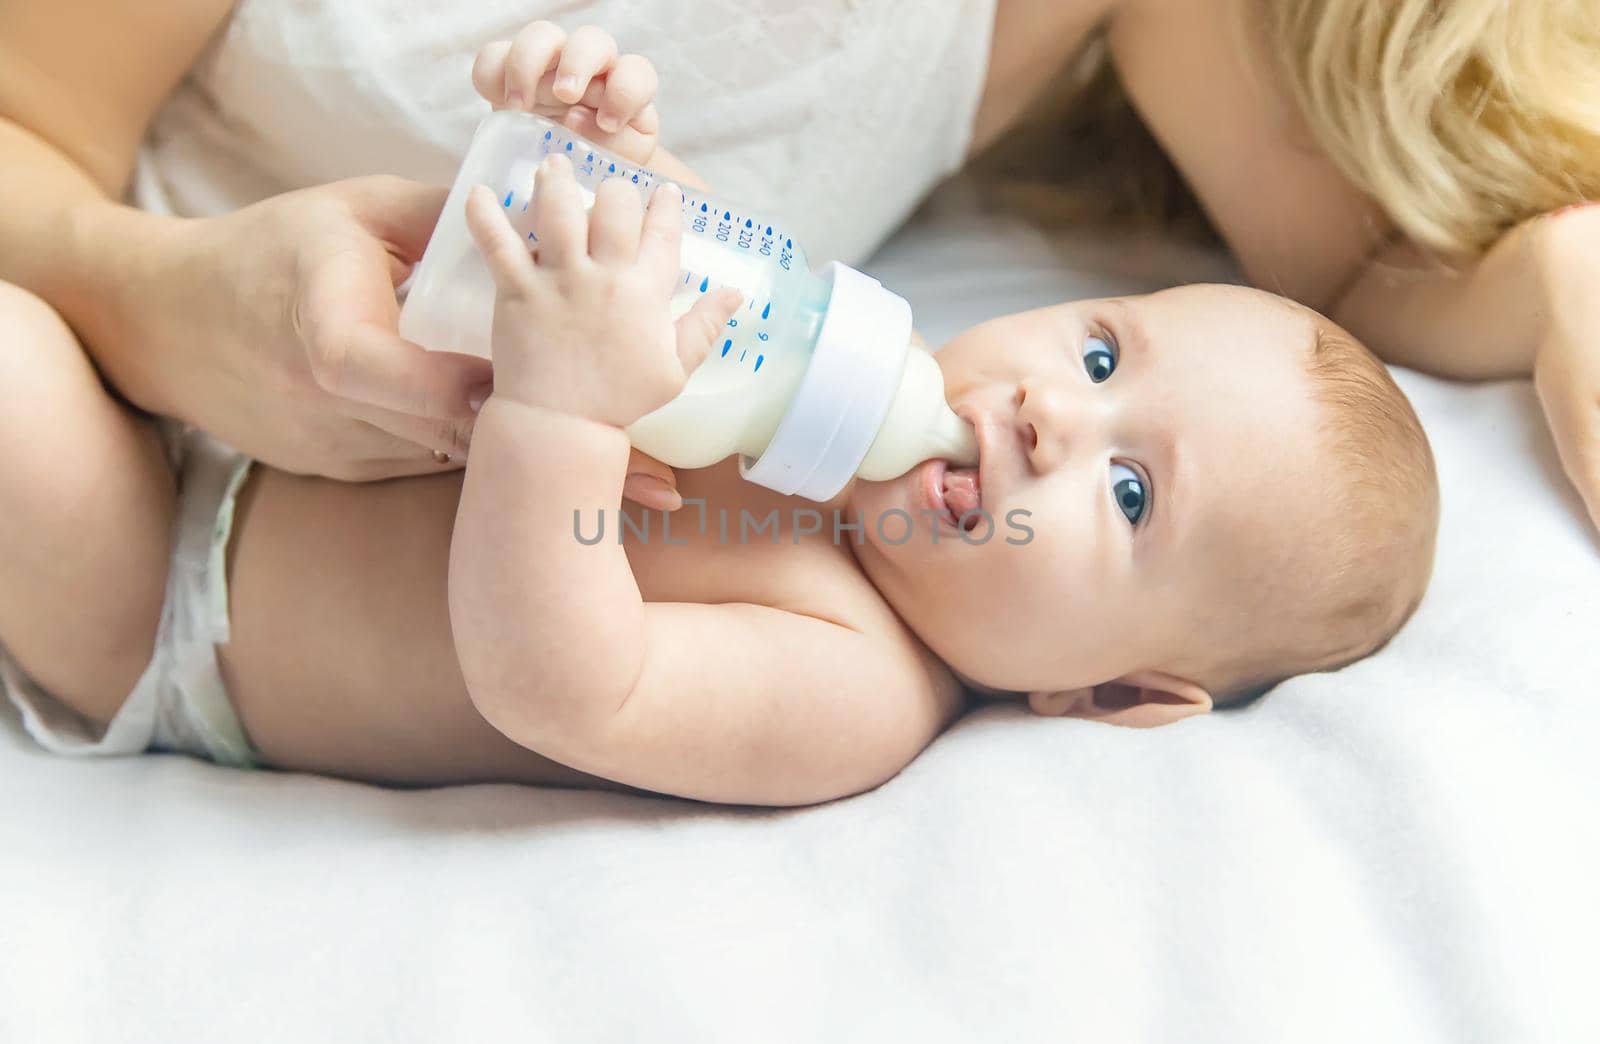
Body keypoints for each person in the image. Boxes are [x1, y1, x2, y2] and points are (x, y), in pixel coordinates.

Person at [0, 29, 1439, 807]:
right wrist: (597, 141)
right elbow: (678, 260)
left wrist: (562, 414)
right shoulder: (848, 363)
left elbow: (563, 685)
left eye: (1131, 498)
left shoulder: (854, 687)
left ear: (1112, 694)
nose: (1056, 420)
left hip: (181, 598)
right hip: (228, 394)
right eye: (1105, 355)